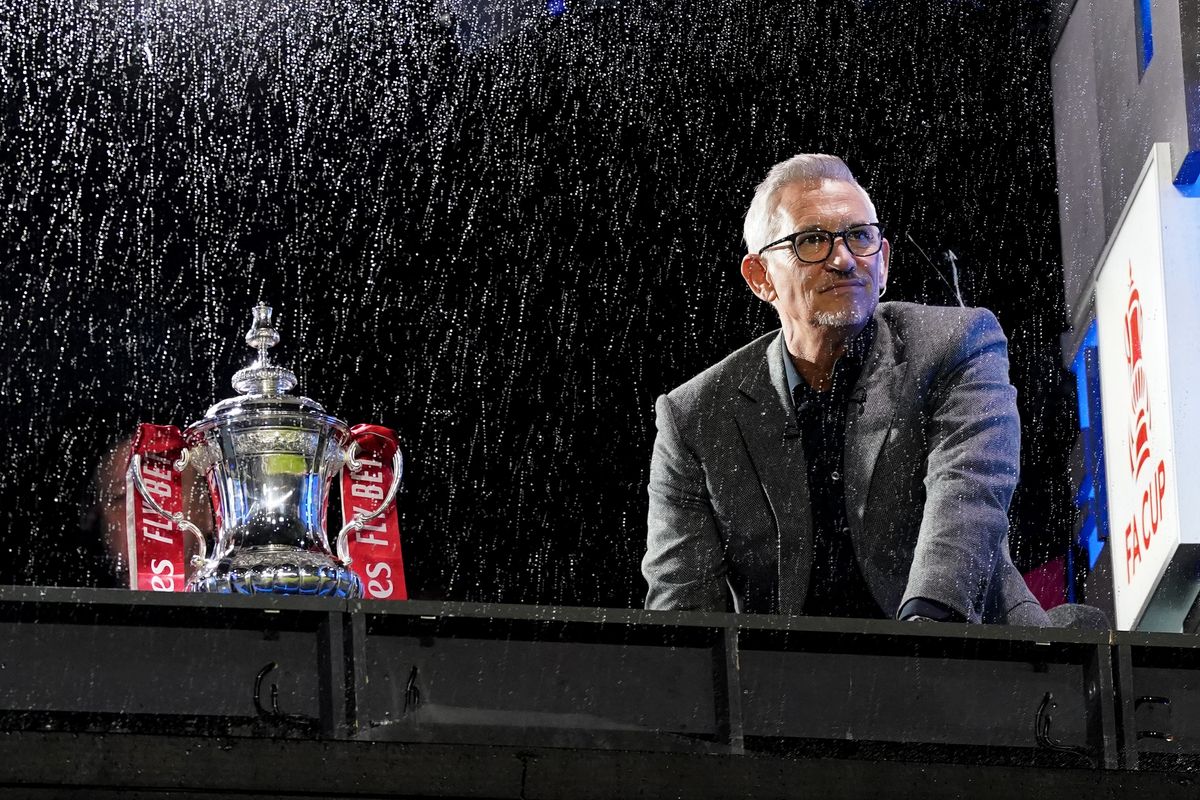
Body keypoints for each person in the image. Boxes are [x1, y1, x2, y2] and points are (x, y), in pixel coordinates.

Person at [642, 154, 1051, 625]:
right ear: (761, 278)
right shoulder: (695, 416)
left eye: (859, 236)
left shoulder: (955, 343)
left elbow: (969, 491)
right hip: (787, 683)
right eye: (811, 240)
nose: (843, 259)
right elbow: (684, 611)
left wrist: (925, 639)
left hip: (968, 656)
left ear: (883, 264)